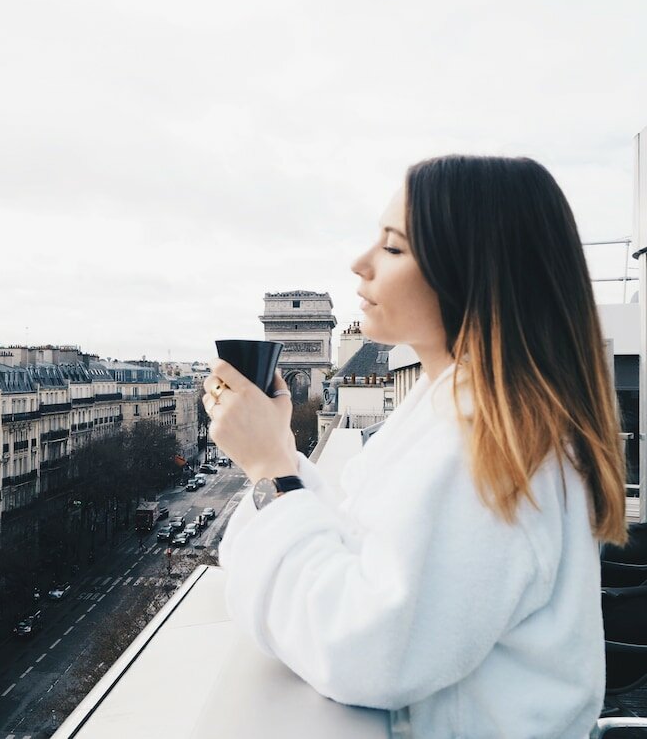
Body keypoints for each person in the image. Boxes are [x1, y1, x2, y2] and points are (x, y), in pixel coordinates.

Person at [203, 155, 628, 738]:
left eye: (393, 247)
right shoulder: (463, 405)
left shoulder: (495, 443)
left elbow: (364, 649)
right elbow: (365, 541)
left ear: (472, 272)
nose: (360, 263)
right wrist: (276, 449)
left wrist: (270, 468)